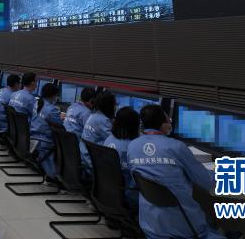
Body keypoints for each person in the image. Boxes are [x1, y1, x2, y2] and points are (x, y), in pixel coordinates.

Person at [128, 105, 227, 239]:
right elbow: (206, 181)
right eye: (167, 119)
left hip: (150, 225)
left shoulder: (132, 146)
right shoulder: (176, 147)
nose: (170, 122)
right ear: (163, 125)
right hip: (182, 228)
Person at [103, 106, 140, 210]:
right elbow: (134, 176)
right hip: (125, 193)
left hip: (107, 188)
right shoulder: (131, 146)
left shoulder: (109, 138)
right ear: (134, 127)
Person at [31, 83, 61, 178]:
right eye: (56, 95)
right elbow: (61, 127)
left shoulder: (37, 103)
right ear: (53, 95)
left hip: (32, 137)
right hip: (44, 142)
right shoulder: (53, 110)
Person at [81, 91, 116, 172]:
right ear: (110, 106)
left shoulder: (93, 115)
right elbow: (114, 141)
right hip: (93, 163)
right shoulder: (104, 121)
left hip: (85, 157)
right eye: (115, 104)